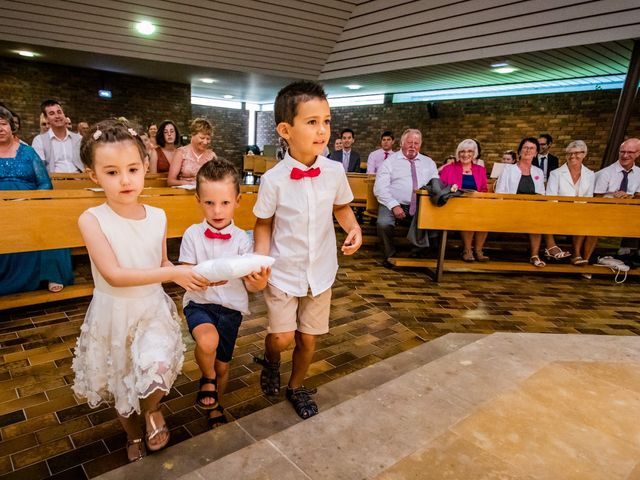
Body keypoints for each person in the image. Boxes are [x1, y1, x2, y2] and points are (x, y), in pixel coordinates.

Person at [71, 120, 209, 463]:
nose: (125, 180)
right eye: (112, 172)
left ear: (145, 166)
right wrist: (172, 271)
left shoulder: (158, 215)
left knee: (156, 367)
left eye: (133, 169)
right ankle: (133, 434)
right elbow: (115, 275)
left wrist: (188, 273)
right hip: (114, 312)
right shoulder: (92, 219)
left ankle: (152, 410)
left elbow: (160, 262)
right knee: (122, 382)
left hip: (151, 308)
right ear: (93, 175)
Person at [253, 80, 362, 419]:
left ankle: (296, 386)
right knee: (282, 337)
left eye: (326, 121)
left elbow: (342, 207)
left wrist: (354, 228)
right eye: (312, 122)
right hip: (283, 269)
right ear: (285, 129)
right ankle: (271, 360)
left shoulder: (334, 171)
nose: (323, 130)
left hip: (321, 268)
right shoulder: (274, 180)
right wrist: (259, 260)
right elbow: (263, 222)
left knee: (309, 338)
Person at [180, 159, 270, 428]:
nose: (217, 211)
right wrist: (201, 280)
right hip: (199, 303)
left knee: (223, 364)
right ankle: (206, 377)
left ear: (238, 200)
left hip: (231, 307)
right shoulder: (192, 234)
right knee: (207, 342)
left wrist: (259, 283)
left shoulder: (244, 240)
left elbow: (251, 285)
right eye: (209, 203)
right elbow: (185, 274)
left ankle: (217, 403)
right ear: (198, 199)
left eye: (225, 203)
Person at [0, 106, 74, 295]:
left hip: (29, 204)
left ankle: (51, 273)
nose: (0, 129)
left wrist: (29, 200)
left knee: (51, 223)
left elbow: (44, 183)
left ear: (10, 126)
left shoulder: (27, 152)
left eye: (3, 124)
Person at [374, 128, 438, 267]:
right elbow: (380, 188)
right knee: (383, 223)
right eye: (409, 142)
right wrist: (394, 205)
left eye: (416, 143)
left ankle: (418, 253)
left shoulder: (428, 162)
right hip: (392, 203)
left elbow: (435, 182)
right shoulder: (390, 162)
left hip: (420, 205)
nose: (413, 146)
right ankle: (389, 254)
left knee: (433, 221)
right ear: (402, 143)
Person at [494, 137, 548, 267]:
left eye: (532, 148)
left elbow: (541, 194)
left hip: (532, 209)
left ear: (536, 153)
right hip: (511, 208)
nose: (528, 150)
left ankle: (534, 255)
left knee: (539, 219)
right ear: (519, 151)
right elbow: (500, 191)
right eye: (525, 147)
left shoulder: (538, 172)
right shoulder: (508, 169)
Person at [546, 140, 595, 265]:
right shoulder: (556, 173)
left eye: (577, 153)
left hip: (580, 212)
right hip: (558, 211)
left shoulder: (590, 174)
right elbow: (551, 197)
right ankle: (552, 247)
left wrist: (578, 210)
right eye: (569, 153)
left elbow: (588, 197)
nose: (573, 156)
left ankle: (577, 253)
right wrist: (566, 210)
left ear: (584, 154)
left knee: (588, 219)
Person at [439, 139, 489, 262]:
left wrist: (478, 194)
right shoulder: (449, 169)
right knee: (469, 216)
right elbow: (441, 188)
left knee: (486, 217)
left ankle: (478, 250)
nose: (465, 154)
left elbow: (484, 189)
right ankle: (467, 250)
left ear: (474, 154)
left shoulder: (480, 170)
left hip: (476, 204)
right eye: (462, 151)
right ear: (458, 153)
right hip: (454, 206)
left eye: (469, 151)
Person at [594, 137, 640, 263]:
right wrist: (613, 197)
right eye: (622, 152)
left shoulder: (639, 174)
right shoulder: (606, 173)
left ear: (637, 153)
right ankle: (614, 253)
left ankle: (629, 251)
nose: (625, 155)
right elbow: (596, 198)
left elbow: (638, 196)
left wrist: (629, 197)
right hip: (606, 212)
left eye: (630, 152)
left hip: (630, 213)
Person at [32, 99, 84, 173]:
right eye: (52, 113)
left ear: (64, 114)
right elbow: (39, 168)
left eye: (59, 112)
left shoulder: (79, 139)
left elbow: (87, 163)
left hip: (80, 180)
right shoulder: (39, 140)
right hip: (55, 181)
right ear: (46, 118)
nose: (57, 116)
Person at [168, 118, 217, 186]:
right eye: (202, 138)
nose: (205, 142)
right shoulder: (181, 152)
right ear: (192, 135)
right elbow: (171, 181)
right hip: (184, 193)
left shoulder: (212, 156)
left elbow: (217, 179)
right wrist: (189, 184)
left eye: (208, 139)